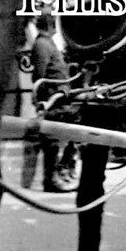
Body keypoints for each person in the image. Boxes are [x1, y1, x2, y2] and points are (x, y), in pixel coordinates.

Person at [28, 12, 77, 193]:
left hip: (60, 98)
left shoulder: (48, 43)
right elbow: (40, 76)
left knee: (65, 137)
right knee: (51, 141)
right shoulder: (42, 44)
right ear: (50, 24)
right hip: (52, 100)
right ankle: (51, 180)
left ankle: (62, 173)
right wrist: (41, 101)